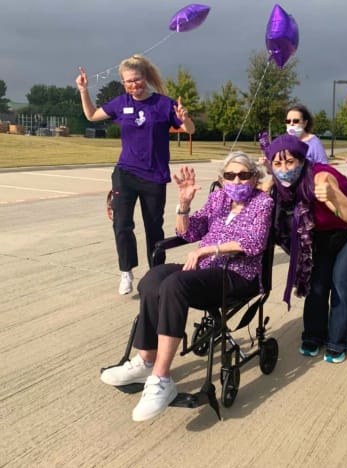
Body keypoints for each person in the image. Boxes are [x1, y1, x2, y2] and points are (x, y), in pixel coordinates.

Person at [100, 152, 274, 421]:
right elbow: (188, 233)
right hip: (206, 271)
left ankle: (162, 379)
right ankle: (146, 360)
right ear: (222, 179)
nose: (236, 180)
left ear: (254, 178)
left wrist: (208, 251)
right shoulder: (219, 198)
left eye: (244, 175)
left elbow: (254, 243)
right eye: (230, 175)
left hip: (238, 274)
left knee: (176, 284)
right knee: (153, 279)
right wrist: (184, 203)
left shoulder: (263, 202)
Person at [75, 55, 195, 295]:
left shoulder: (163, 104)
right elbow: (91, 115)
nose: (133, 85)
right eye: (128, 81)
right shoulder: (121, 103)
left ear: (145, 78)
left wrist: (185, 118)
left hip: (154, 176)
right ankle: (126, 272)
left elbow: (189, 130)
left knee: (154, 228)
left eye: (137, 80)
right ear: (123, 83)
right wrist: (83, 90)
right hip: (125, 173)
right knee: (122, 224)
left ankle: (156, 275)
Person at [264, 134, 347, 364]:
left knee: (340, 278)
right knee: (318, 281)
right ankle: (313, 335)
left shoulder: (321, 178)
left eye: (290, 162)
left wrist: (331, 198)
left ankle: (338, 341)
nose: (284, 169)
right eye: (278, 164)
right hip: (328, 232)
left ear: (302, 160)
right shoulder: (279, 184)